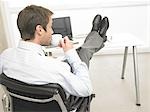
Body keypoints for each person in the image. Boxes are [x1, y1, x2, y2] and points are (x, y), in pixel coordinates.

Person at [0, 5, 109, 111]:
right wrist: (70, 54)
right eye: (50, 27)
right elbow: (86, 89)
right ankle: (98, 36)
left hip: (23, 106)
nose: (52, 32)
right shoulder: (56, 68)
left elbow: (30, 67)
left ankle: (96, 35)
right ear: (40, 30)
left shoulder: (5, 56)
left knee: (80, 52)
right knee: (83, 53)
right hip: (63, 102)